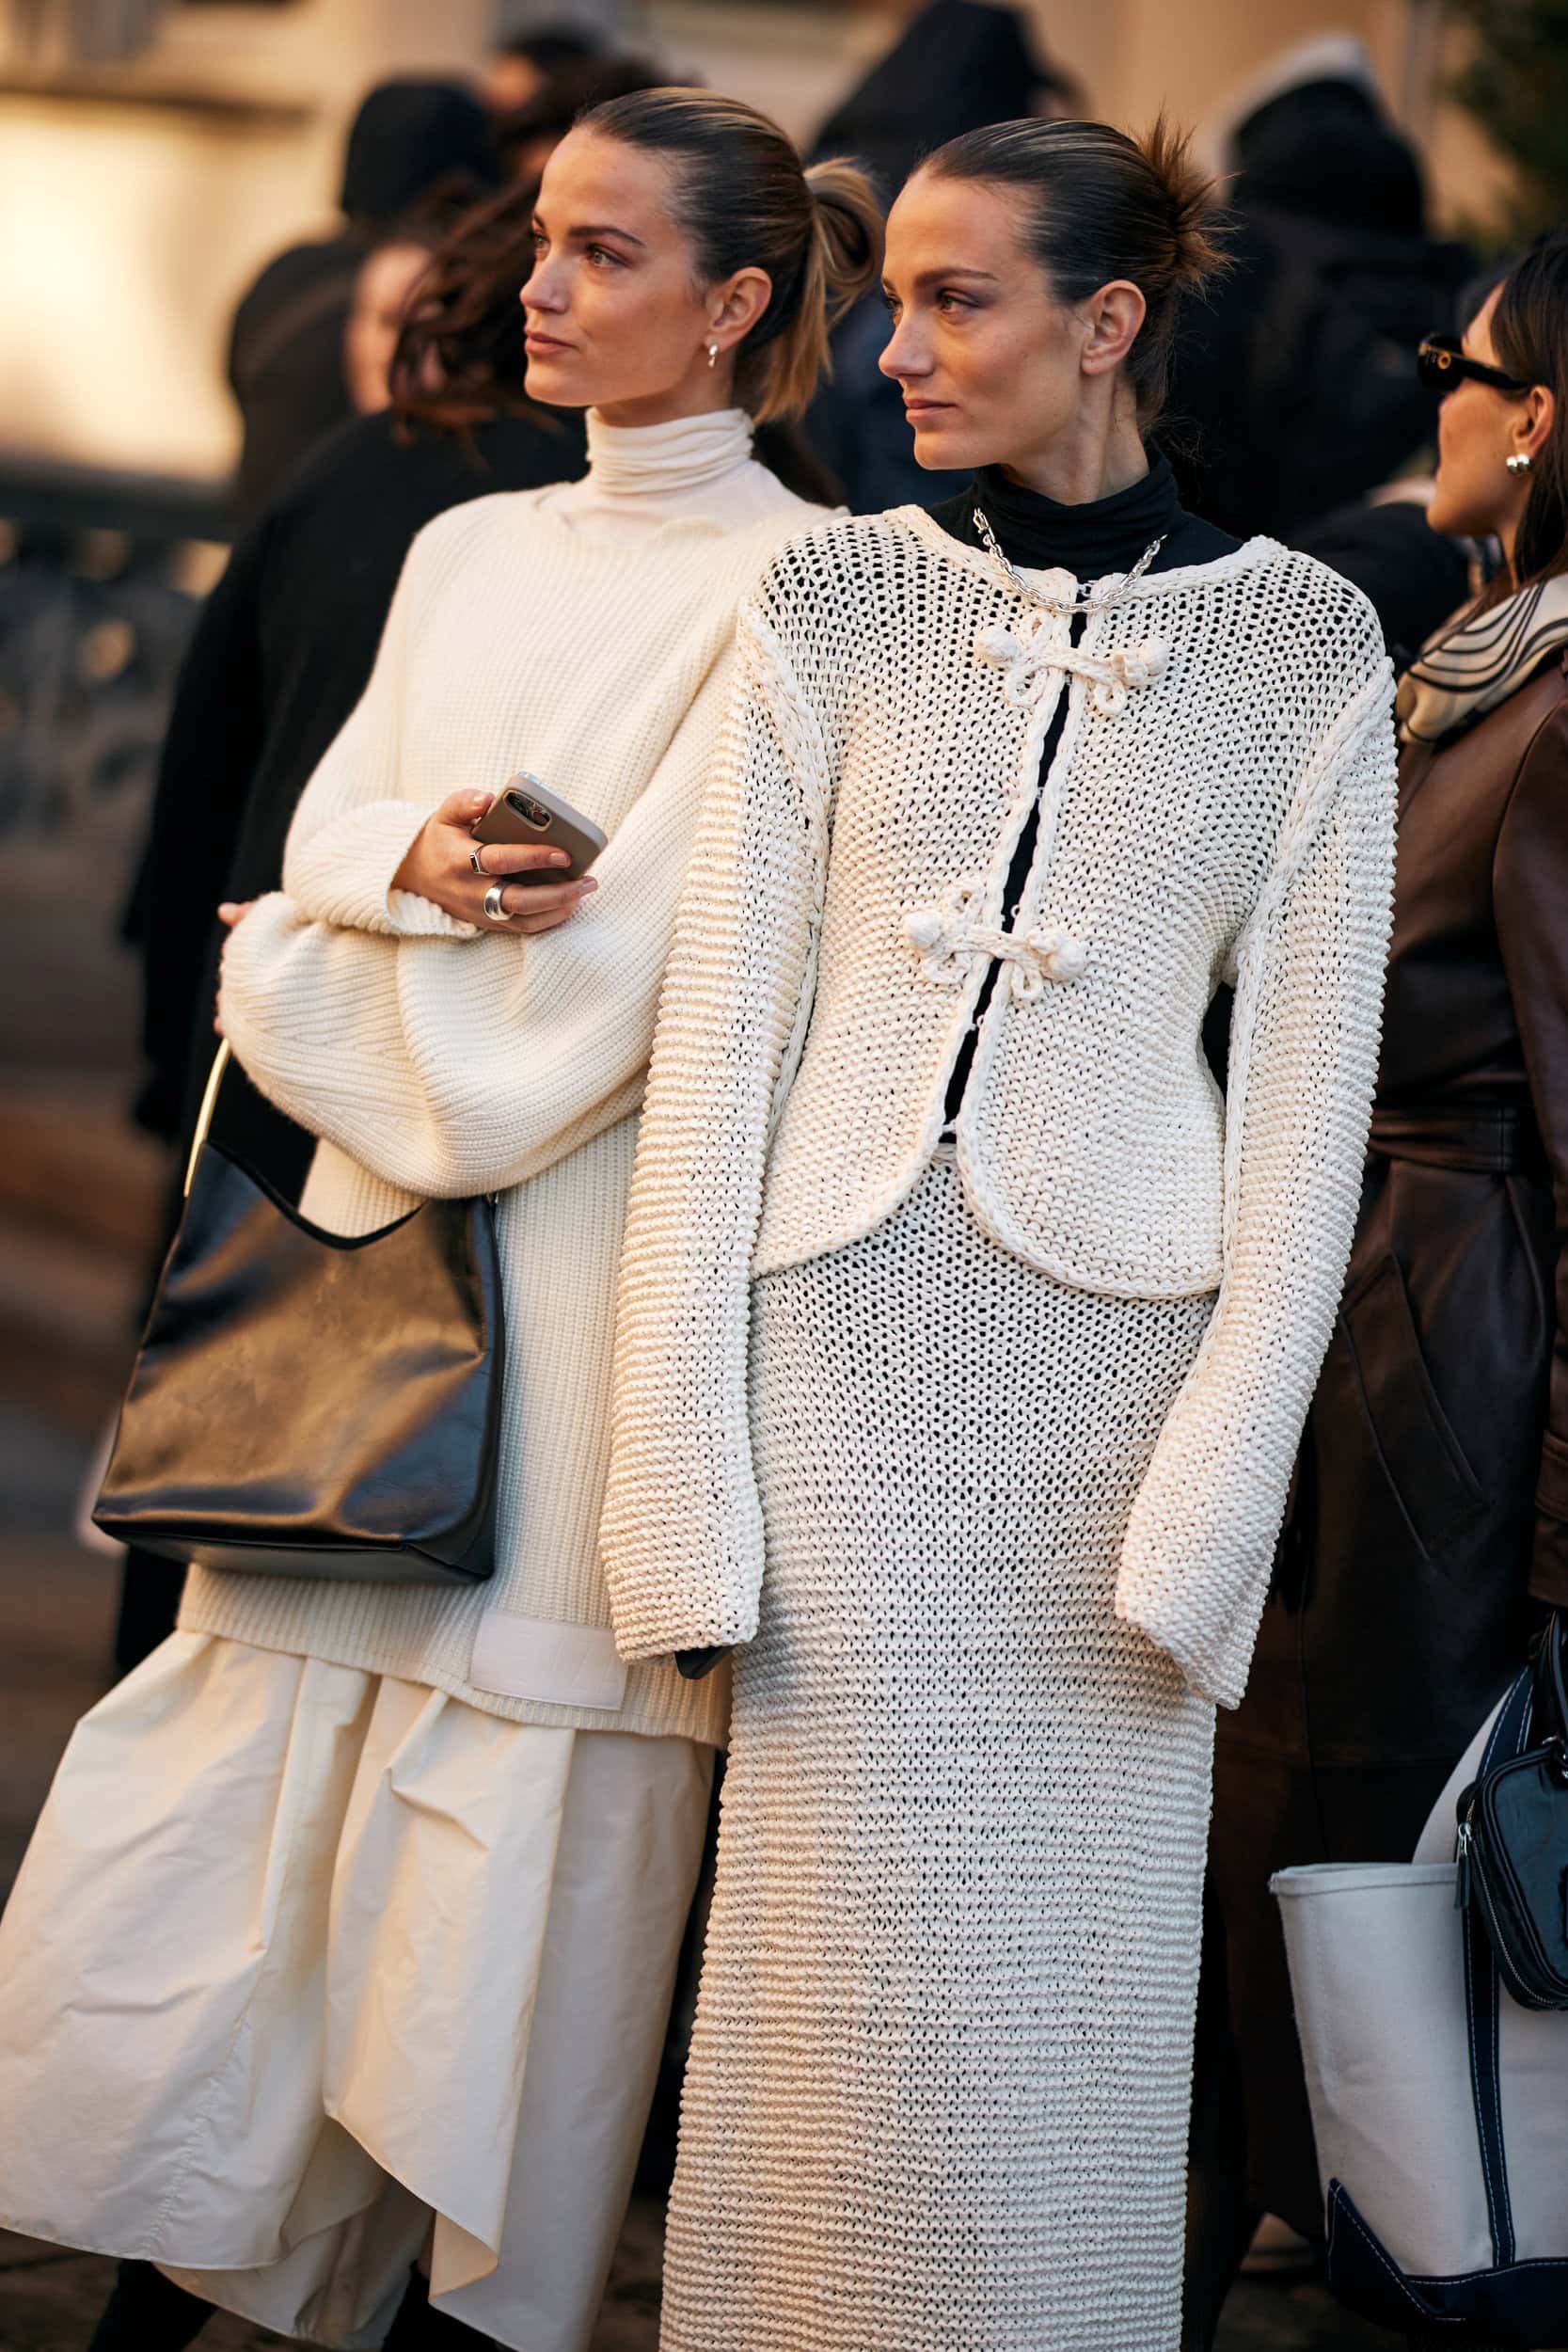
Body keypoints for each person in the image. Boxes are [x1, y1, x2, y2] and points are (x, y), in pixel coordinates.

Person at [0, 90, 880, 2352]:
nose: (539, 288)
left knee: (496, 1891)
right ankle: (160, 2288)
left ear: (737, 301)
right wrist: (388, 880)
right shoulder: (465, 543)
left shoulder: (802, 591)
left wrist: (312, 963)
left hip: (580, 1310)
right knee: (246, 1865)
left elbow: (608, 997)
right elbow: (312, 845)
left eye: (601, 252)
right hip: (354, 1307)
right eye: (545, 240)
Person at [600, 115, 1398, 2352]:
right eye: (894, 301)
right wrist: (677, 1479)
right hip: (831, 1381)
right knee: (817, 1994)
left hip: (1111, 1419)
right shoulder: (829, 601)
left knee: (1057, 2026)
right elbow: (719, 1042)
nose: (894, 349)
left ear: (1105, 321)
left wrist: (1214, 1496)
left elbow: (1306, 1121)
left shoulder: (1304, 646)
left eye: (955, 300)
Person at [1196, 232, 1568, 2340]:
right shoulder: (1472, 655)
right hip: (1368, 1313)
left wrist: (1555, 1546)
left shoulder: (1552, 709)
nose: (1426, 389)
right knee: (1306, 1857)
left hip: (1456, 1352)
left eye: (1456, 359)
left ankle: (1418, 2259)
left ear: (1536, 416)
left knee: (1405, 1871)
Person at [226, 79, 504, 528]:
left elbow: (234, 378)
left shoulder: (288, 270)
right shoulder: (456, 286)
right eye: (387, 321)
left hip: (261, 535)